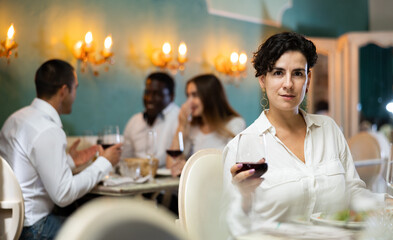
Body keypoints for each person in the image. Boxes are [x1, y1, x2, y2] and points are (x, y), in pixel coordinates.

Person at [222, 32, 391, 236]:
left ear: (308, 79)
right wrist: (245, 198)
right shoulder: (242, 146)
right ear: (262, 80)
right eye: (278, 73)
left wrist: (387, 202)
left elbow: (352, 192)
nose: (288, 84)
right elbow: (232, 227)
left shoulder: (329, 129)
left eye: (297, 73)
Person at [0, 59, 122, 239]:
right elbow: (63, 194)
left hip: (8, 226)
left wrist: (70, 161)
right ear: (64, 91)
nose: (75, 95)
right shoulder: (48, 129)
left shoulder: (15, 119)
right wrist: (105, 163)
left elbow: (29, 172)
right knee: (105, 229)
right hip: (33, 228)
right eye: (76, 88)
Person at [168, 74, 246, 177]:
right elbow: (171, 165)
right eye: (188, 96)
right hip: (195, 188)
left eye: (194, 95)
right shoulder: (193, 127)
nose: (189, 102)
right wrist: (181, 125)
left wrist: (189, 167)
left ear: (209, 96)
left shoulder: (235, 124)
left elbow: (232, 166)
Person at [121, 72, 180, 167]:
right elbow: (124, 158)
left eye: (157, 94)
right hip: (137, 177)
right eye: (147, 92)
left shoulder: (180, 119)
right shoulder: (134, 121)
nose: (149, 99)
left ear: (171, 96)